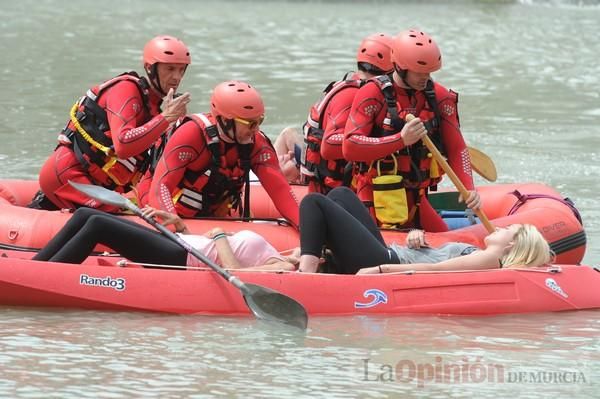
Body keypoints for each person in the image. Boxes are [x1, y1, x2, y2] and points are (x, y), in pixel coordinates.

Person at [31, 35, 192, 212]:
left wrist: (170, 124)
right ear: (149, 68)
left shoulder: (156, 110)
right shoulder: (125, 89)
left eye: (181, 70)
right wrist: (166, 119)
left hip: (101, 186)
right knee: (123, 220)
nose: (176, 77)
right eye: (170, 69)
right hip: (69, 174)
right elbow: (123, 145)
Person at [343, 29, 481, 232]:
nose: (426, 77)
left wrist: (469, 187)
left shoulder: (439, 97)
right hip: (374, 195)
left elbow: (457, 147)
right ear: (400, 66)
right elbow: (350, 146)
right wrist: (401, 140)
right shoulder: (372, 93)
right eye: (419, 72)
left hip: (415, 197)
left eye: (429, 72)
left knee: (450, 245)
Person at [137, 80, 300, 228]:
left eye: (259, 121)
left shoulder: (256, 143)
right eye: (250, 123)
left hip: (212, 214)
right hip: (161, 206)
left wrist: (308, 231)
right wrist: (176, 229)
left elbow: (281, 190)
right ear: (225, 120)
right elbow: (160, 188)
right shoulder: (191, 134)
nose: (256, 130)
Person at [297, 187, 552, 274]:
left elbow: (434, 270)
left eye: (508, 229)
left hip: (385, 261)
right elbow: (434, 259)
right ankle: (318, 256)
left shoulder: (489, 258)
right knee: (341, 195)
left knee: (314, 202)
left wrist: (382, 270)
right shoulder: (480, 253)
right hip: (390, 253)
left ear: (511, 245)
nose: (499, 227)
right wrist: (418, 240)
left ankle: (305, 273)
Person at [33, 207, 298, 271]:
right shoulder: (282, 253)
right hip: (181, 244)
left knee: (98, 225)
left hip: (181, 260)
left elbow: (233, 273)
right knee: (85, 213)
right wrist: (180, 226)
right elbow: (210, 250)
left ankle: (42, 276)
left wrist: (219, 236)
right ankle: (34, 267)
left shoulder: (286, 267)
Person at [301, 33, 395, 194]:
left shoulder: (364, 88)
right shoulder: (352, 95)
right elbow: (329, 146)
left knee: (288, 135)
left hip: (343, 185)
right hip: (333, 190)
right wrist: (385, 143)